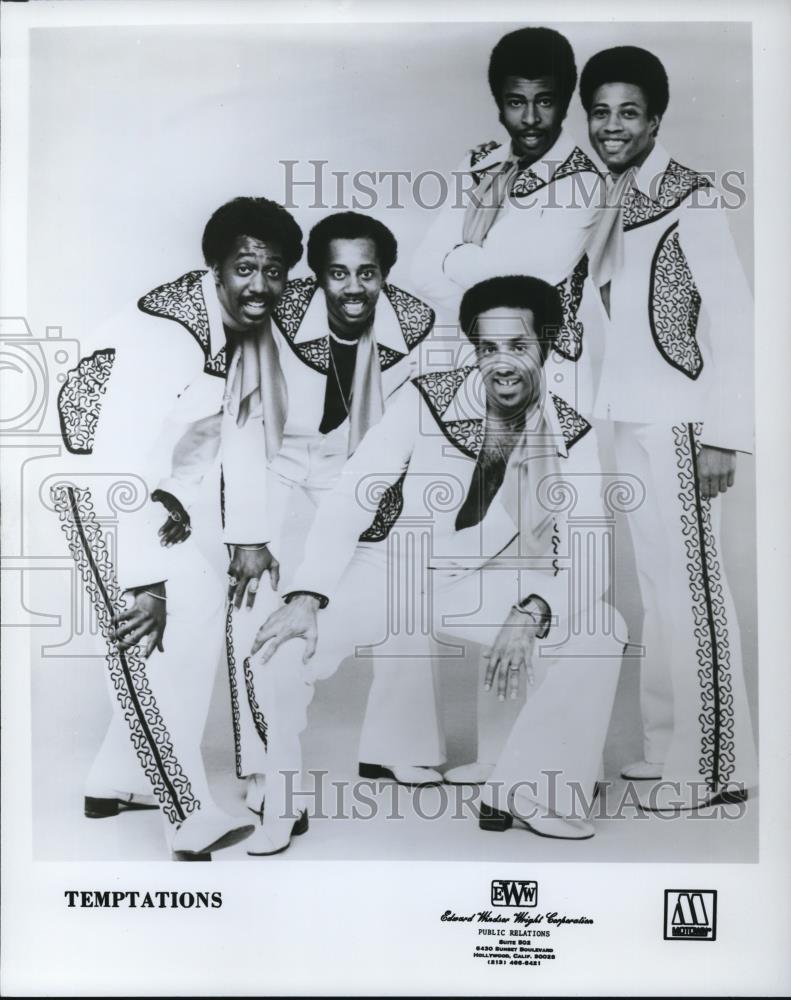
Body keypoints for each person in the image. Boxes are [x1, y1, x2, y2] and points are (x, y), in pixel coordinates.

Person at [242, 276, 626, 854]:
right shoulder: (426, 397)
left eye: (518, 347)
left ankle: (527, 790)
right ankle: (281, 796)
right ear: (474, 349)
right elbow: (355, 492)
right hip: (389, 571)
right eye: (488, 347)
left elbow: (590, 545)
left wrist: (536, 608)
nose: (503, 364)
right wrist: (309, 592)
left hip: (477, 582)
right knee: (282, 645)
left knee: (601, 629)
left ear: (546, 347)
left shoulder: (573, 433)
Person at [52, 196, 303, 857]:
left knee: (191, 619)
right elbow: (110, 460)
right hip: (88, 486)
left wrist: (211, 516)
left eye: (274, 271)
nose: (260, 285)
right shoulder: (168, 335)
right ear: (214, 266)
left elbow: (226, 431)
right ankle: (188, 817)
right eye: (245, 266)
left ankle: (116, 778)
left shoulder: (240, 333)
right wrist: (143, 580)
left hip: (148, 487)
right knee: (145, 635)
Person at [216, 211, 443, 815]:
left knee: (406, 582)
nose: (352, 288)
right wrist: (248, 530)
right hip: (281, 464)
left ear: (384, 275)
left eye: (367, 273)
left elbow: (420, 422)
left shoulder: (417, 324)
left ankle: (399, 743)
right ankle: (263, 765)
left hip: (358, 469)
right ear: (314, 276)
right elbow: (239, 421)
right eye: (337, 273)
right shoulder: (279, 314)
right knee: (258, 598)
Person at [579, 46, 757, 810]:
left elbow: (739, 324)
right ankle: (664, 742)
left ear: (654, 119)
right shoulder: (602, 197)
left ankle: (714, 768)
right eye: (600, 112)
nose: (611, 126)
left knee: (693, 590)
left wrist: (725, 432)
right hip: (624, 418)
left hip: (683, 422)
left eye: (628, 112)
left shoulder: (693, 196)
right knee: (655, 586)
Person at [410, 25, 605, 425]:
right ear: (499, 103)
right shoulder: (478, 162)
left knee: (546, 485)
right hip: (467, 360)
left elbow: (529, 281)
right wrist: (478, 264)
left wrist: (458, 254)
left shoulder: (584, 181)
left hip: (550, 373)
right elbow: (422, 272)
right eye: (516, 102)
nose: (530, 118)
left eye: (545, 102)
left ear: (566, 103)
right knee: (469, 484)